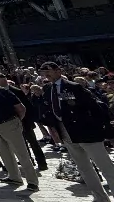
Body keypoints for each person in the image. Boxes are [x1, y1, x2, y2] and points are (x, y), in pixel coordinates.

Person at [42, 61, 114, 202]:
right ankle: (100, 198)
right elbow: (51, 110)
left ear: (58, 71)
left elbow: (95, 107)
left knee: (105, 166)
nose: (46, 74)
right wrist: (54, 130)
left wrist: (101, 128)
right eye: (43, 72)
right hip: (66, 132)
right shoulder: (48, 89)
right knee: (84, 168)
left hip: (86, 131)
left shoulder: (74, 87)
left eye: (48, 70)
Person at [0, 69, 39, 193]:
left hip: (9, 124)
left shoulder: (3, 92)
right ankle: (14, 177)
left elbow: (21, 108)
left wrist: (15, 122)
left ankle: (32, 182)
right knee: (4, 153)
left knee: (22, 154)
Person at [0, 72, 47, 171]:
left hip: (24, 121)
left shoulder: (16, 91)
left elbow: (27, 106)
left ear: (4, 78)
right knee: (20, 145)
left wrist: (28, 120)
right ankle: (28, 162)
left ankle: (42, 163)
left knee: (33, 142)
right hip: (11, 122)